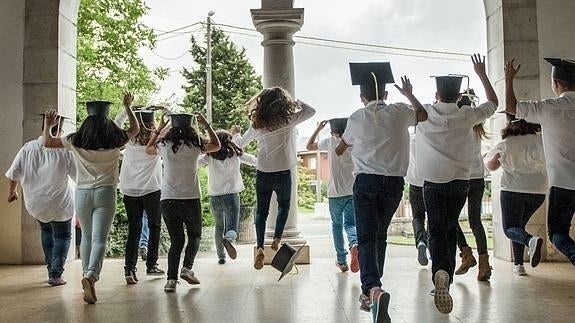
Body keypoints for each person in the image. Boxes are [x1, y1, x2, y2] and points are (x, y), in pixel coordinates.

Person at [336, 62, 428, 322]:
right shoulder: (400, 111)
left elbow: (341, 147)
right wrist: (409, 93)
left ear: (362, 97)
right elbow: (423, 115)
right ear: (386, 95)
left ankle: (372, 289)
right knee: (380, 236)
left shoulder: (356, 117)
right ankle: (373, 289)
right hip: (394, 184)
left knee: (366, 238)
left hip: (365, 183)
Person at [416, 54, 497, 314]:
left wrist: (409, 94)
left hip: (432, 182)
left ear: (437, 93)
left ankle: (441, 272)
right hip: (460, 182)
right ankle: (445, 275)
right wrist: (481, 73)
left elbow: (415, 111)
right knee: (450, 227)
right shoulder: (468, 116)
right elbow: (493, 103)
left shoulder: (425, 114)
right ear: (459, 94)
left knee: (436, 229)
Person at [43, 93, 140, 304]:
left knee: (86, 236)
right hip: (106, 192)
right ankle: (91, 275)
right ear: (107, 121)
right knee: (99, 239)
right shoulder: (116, 139)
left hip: (83, 193)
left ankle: (86, 276)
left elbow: (48, 142)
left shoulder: (75, 140)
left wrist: (49, 124)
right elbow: (135, 130)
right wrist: (128, 107)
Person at [235, 87, 316, 270]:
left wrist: (236, 135)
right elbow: (311, 111)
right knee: (284, 206)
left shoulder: (257, 125)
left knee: (261, 213)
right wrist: (296, 102)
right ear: (282, 103)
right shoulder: (289, 120)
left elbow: (240, 143)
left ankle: (261, 247)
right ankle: (277, 238)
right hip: (283, 171)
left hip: (263, 171)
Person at [505, 57, 575, 266]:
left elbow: (511, 107)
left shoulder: (549, 107)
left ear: (556, 84)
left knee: (558, 233)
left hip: (563, 183)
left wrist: (509, 79)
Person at [146, 113, 220, 292]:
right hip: (190, 198)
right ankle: (187, 268)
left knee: (176, 241)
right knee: (195, 236)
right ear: (191, 128)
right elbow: (217, 145)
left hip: (168, 199)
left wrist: (159, 129)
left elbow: (148, 149)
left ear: (171, 129)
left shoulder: (164, 145)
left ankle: (171, 281)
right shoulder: (195, 146)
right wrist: (207, 125)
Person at [5, 113, 75, 286]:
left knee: (46, 232)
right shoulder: (64, 150)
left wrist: (12, 191)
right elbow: (77, 176)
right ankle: (56, 274)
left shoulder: (27, 148)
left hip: (35, 203)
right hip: (60, 203)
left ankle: (51, 268)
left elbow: (14, 173)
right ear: (60, 131)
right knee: (63, 236)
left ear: (42, 128)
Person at [485, 113, 547, 275]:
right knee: (518, 228)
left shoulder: (506, 143)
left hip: (513, 190)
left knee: (510, 229)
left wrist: (495, 159)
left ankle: (531, 241)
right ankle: (519, 265)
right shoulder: (541, 141)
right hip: (538, 191)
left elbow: (491, 166)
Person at [115, 106, 165, 285]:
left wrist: (126, 109)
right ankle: (151, 264)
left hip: (129, 189)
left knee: (134, 229)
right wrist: (165, 109)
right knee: (155, 226)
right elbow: (172, 126)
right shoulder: (156, 143)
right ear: (151, 124)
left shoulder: (128, 141)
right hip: (151, 189)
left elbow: (116, 124)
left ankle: (129, 269)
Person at [306, 118, 359, 273]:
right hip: (352, 191)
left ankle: (342, 261)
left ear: (332, 131)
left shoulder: (329, 142)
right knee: (350, 224)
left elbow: (309, 146)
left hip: (335, 193)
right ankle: (354, 244)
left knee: (336, 226)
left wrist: (318, 129)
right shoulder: (354, 140)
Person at [198, 130, 257, 264]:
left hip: (214, 197)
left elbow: (195, 163)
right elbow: (253, 161)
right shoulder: (235, 153)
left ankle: (221, 256)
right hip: (231, 195)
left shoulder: (209, 155)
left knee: (219, 227)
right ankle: (229, 240)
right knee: (232, 227)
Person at [453, 89, 492, 281]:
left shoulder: (458, 121)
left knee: (450, 218)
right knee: (475, 221)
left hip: (461, 176)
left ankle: (466, 253)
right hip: (478, 176)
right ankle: (484, 264)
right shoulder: (478, 122)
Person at [405, 131, 428, 266]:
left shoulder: (412, 140)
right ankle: (432, 246)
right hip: (431, 181)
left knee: (418, 217)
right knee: (433, 216)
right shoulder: (431, 135)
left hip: (415, 183)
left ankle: (420, 241)